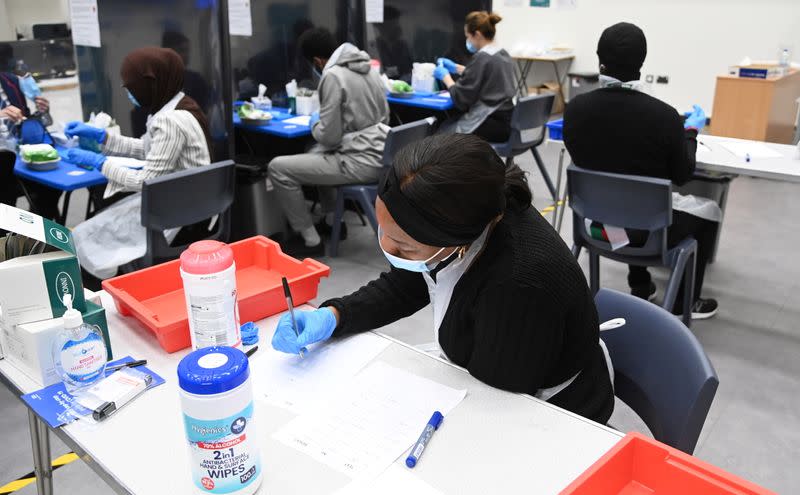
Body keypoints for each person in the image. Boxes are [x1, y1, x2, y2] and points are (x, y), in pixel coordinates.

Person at [271, 134, 615, 423]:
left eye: (403, 247)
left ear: (457, 243)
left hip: (552, 414)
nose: (387, 248)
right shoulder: (469, 211)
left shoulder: (518, 285)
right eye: (383, 230)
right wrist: (335, 315)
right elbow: (407, 283)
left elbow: (495, 403)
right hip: (490, 369)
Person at [564, 22, 718, 319]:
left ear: (599, 59)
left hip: (593, 225)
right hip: (645, 232)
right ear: (642, 63)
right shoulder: (665, 117)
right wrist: (689, 133)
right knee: (708, 213)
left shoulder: (575, 110)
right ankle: (684, 303)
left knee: (628, 196)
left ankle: (641, 283)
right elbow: (683, 174)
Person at [65, 47, 212, 282]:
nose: (128, 93)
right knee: (97, 226)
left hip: (178, 212)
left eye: (131, 87)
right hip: (184, 201)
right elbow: (146, 149)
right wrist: (103, 138)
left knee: (85, 235)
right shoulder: (176, 104)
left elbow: (145, 181)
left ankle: (102, 292)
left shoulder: (170, 121)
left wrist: (100, 163)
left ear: (151, 83)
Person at [268, 28, 390, 256]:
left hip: (359, 161)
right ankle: (334, 221)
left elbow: (329, 137)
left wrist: (316, 122)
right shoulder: (368, 68)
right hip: (381, 154)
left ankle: (310, 241)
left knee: (278, 167)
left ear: (317, 61)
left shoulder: (332, 76)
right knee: (314, 151)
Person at [0, 43, 62, 219]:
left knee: (52, 184)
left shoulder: (11, 82)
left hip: (23, 153)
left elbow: (40, 122)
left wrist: (43, 110)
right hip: (3, 161)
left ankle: (39, 226)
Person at [434, 11, 516, 142]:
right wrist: (456, 68)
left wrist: (446, 77)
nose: (468, 41)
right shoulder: (501, 53)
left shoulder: (481, 58)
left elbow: (460, 98)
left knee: (440, 132)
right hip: (507, 120)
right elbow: (485, 74)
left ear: (477, 34)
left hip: (491, 122)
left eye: (468, 36)